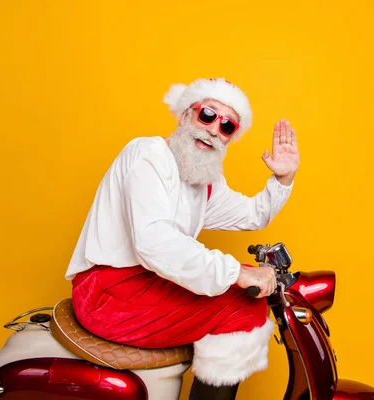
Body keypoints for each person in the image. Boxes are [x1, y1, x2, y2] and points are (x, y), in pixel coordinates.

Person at [65, 78, 300, 399]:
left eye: (227, 125)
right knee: (243, 308)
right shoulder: (148, 154)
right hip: (108, 293)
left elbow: (251, 215)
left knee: (245, 294)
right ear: (185, 115)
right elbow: (154, 241)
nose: (215, 129)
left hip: (145, 285)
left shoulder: (202, 180)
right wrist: (238, 272)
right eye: (207, 115)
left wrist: (283, 177)